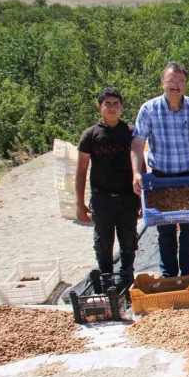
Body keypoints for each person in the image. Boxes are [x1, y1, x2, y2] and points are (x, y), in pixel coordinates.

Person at [131, 62, 189, 278]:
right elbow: (137, 143)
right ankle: (169, 276)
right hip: (161, 179)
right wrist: (136, 172)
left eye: (180, 81)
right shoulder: (149, 109)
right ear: (163, 82)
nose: (175, 86)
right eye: (171, 81)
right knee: (165, 232)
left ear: (186, 84)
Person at [76, 88, 139, 275]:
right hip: (102, 197)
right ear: (99, 107)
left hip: (128, 196)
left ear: (122, 107)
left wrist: (144, 198)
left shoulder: (131, 132)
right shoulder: (90, 135)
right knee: (103, 241)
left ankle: (126, 276)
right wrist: (79, 203)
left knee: (128, 239)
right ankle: (106, 279)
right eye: (107, 104)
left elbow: (139, 165)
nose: (112, 108)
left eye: (116, 104)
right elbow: (81, 171)